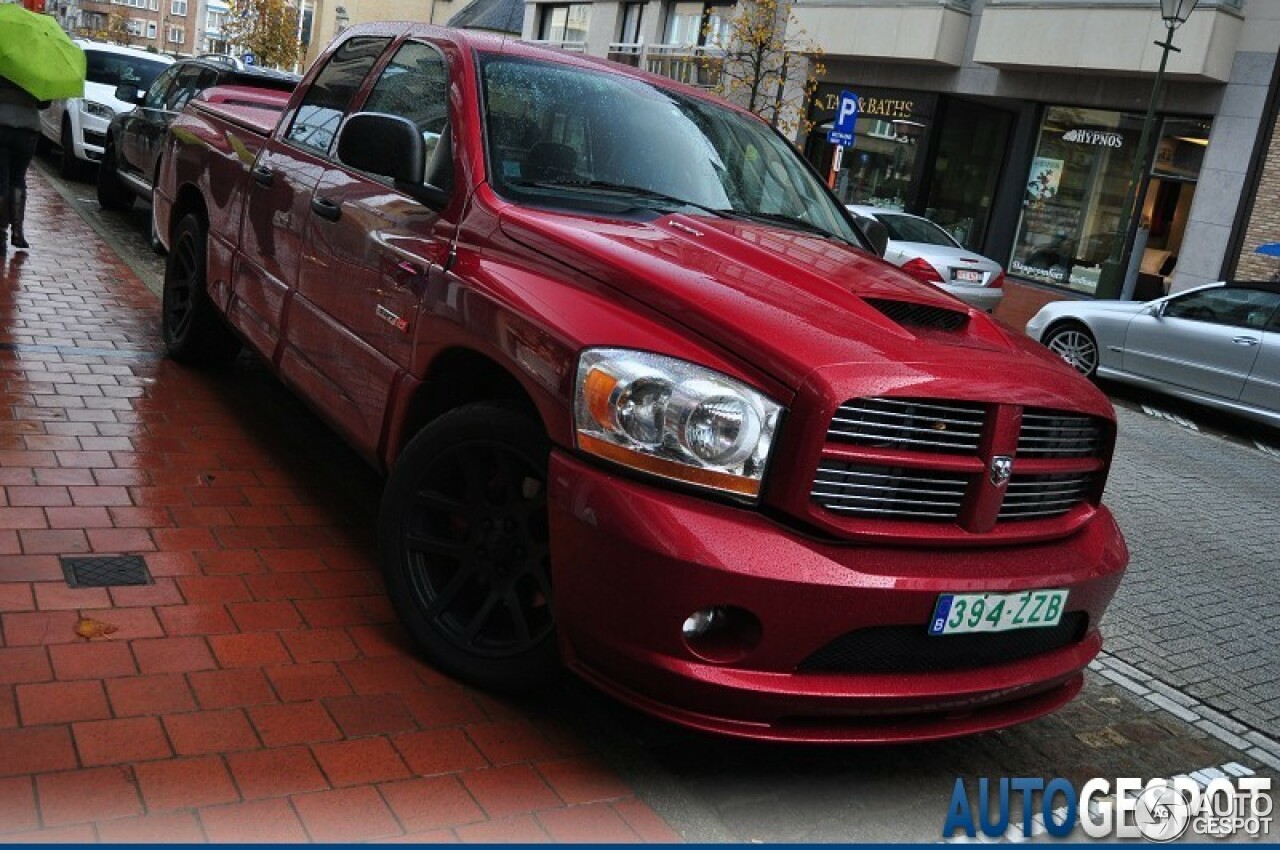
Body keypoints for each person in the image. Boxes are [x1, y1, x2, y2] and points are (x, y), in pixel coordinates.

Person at [0, 74, 46, 254]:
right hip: (28, 129)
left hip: (1, 125)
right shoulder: (35, 69)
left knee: (1, 179)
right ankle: (17, 232)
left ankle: (1, 231)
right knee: (18, 179)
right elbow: (44, 104)